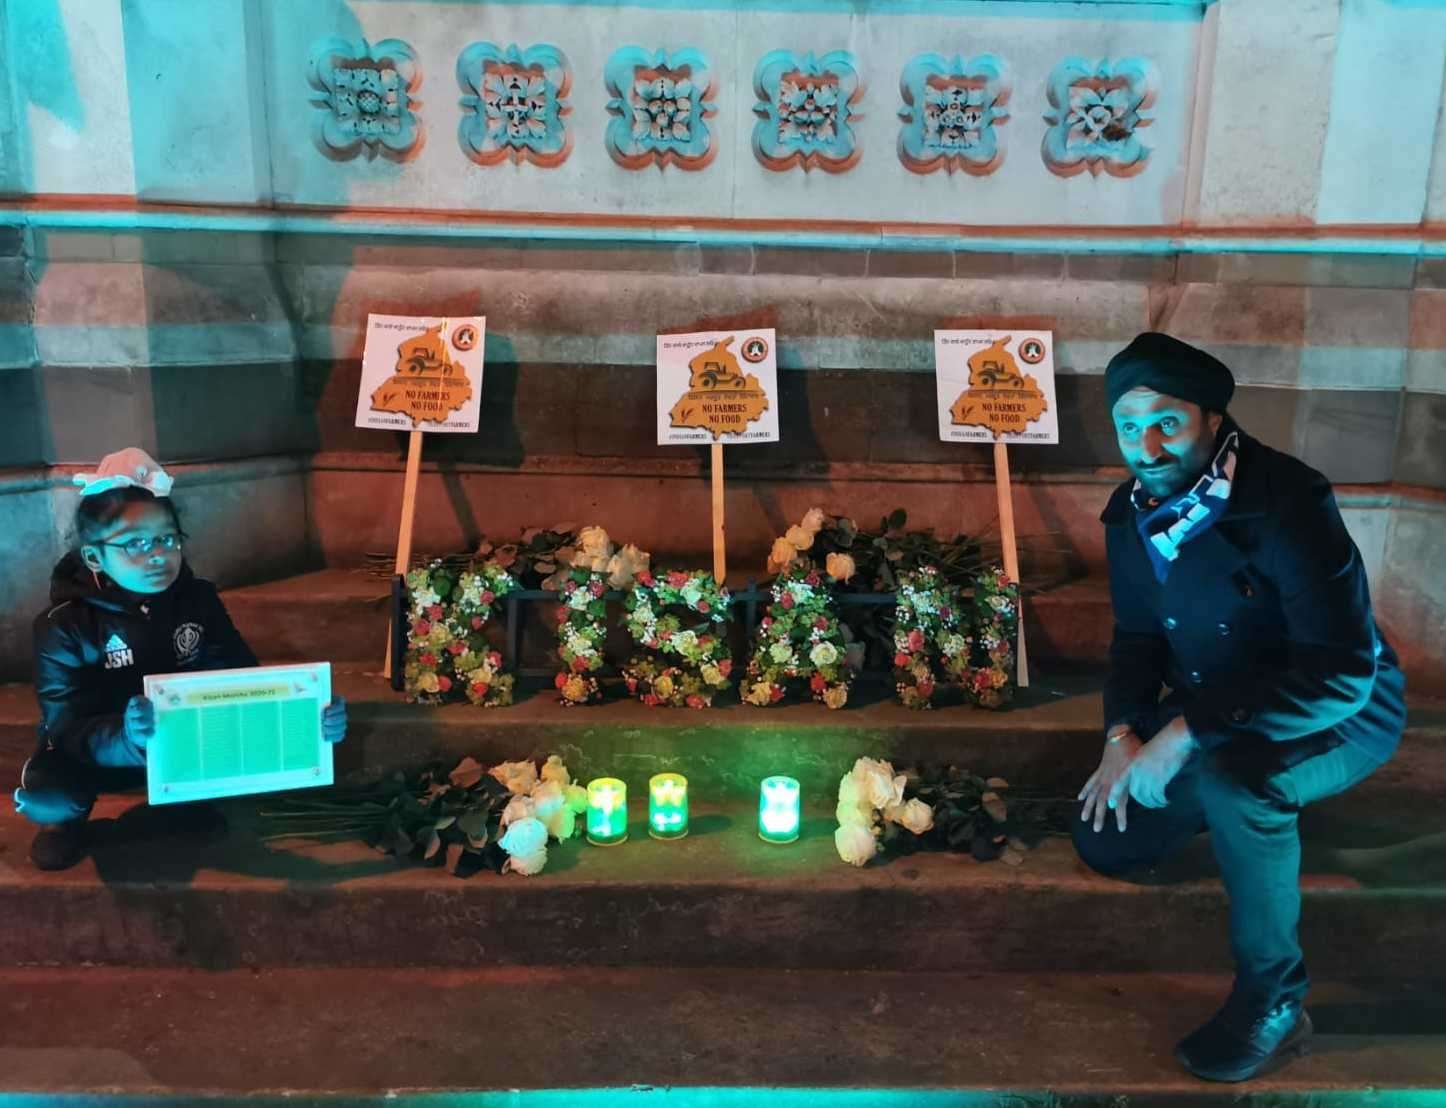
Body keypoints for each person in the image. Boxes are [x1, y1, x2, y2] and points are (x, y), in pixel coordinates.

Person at [1073, 333, 1406, 1083]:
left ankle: (1275, 1000)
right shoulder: (1130, 514)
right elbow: (1135, 637)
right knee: (1109, 840)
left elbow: (1343, 669)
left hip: (1337, 710)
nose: (1146, 446)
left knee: (1240, 783)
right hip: (1221, 705)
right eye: (1129, 426)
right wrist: (1124, 733)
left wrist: (1187, 732)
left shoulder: (1287, 500)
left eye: (1166, 421)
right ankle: (1252, 822)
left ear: (1212, 418)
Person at [13, 448, 349, 871]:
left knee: (225, 772)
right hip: (97, 752)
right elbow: (65, 727)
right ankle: (66, 825)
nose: (158, 554)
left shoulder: (199, 600)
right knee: (48, 796)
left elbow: (239, 679)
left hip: (181, 745)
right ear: (95, 557)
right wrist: (129, 737)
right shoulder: (63, 626)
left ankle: (180, 803)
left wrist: (306, 716)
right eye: (135, 543)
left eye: (168, 539)